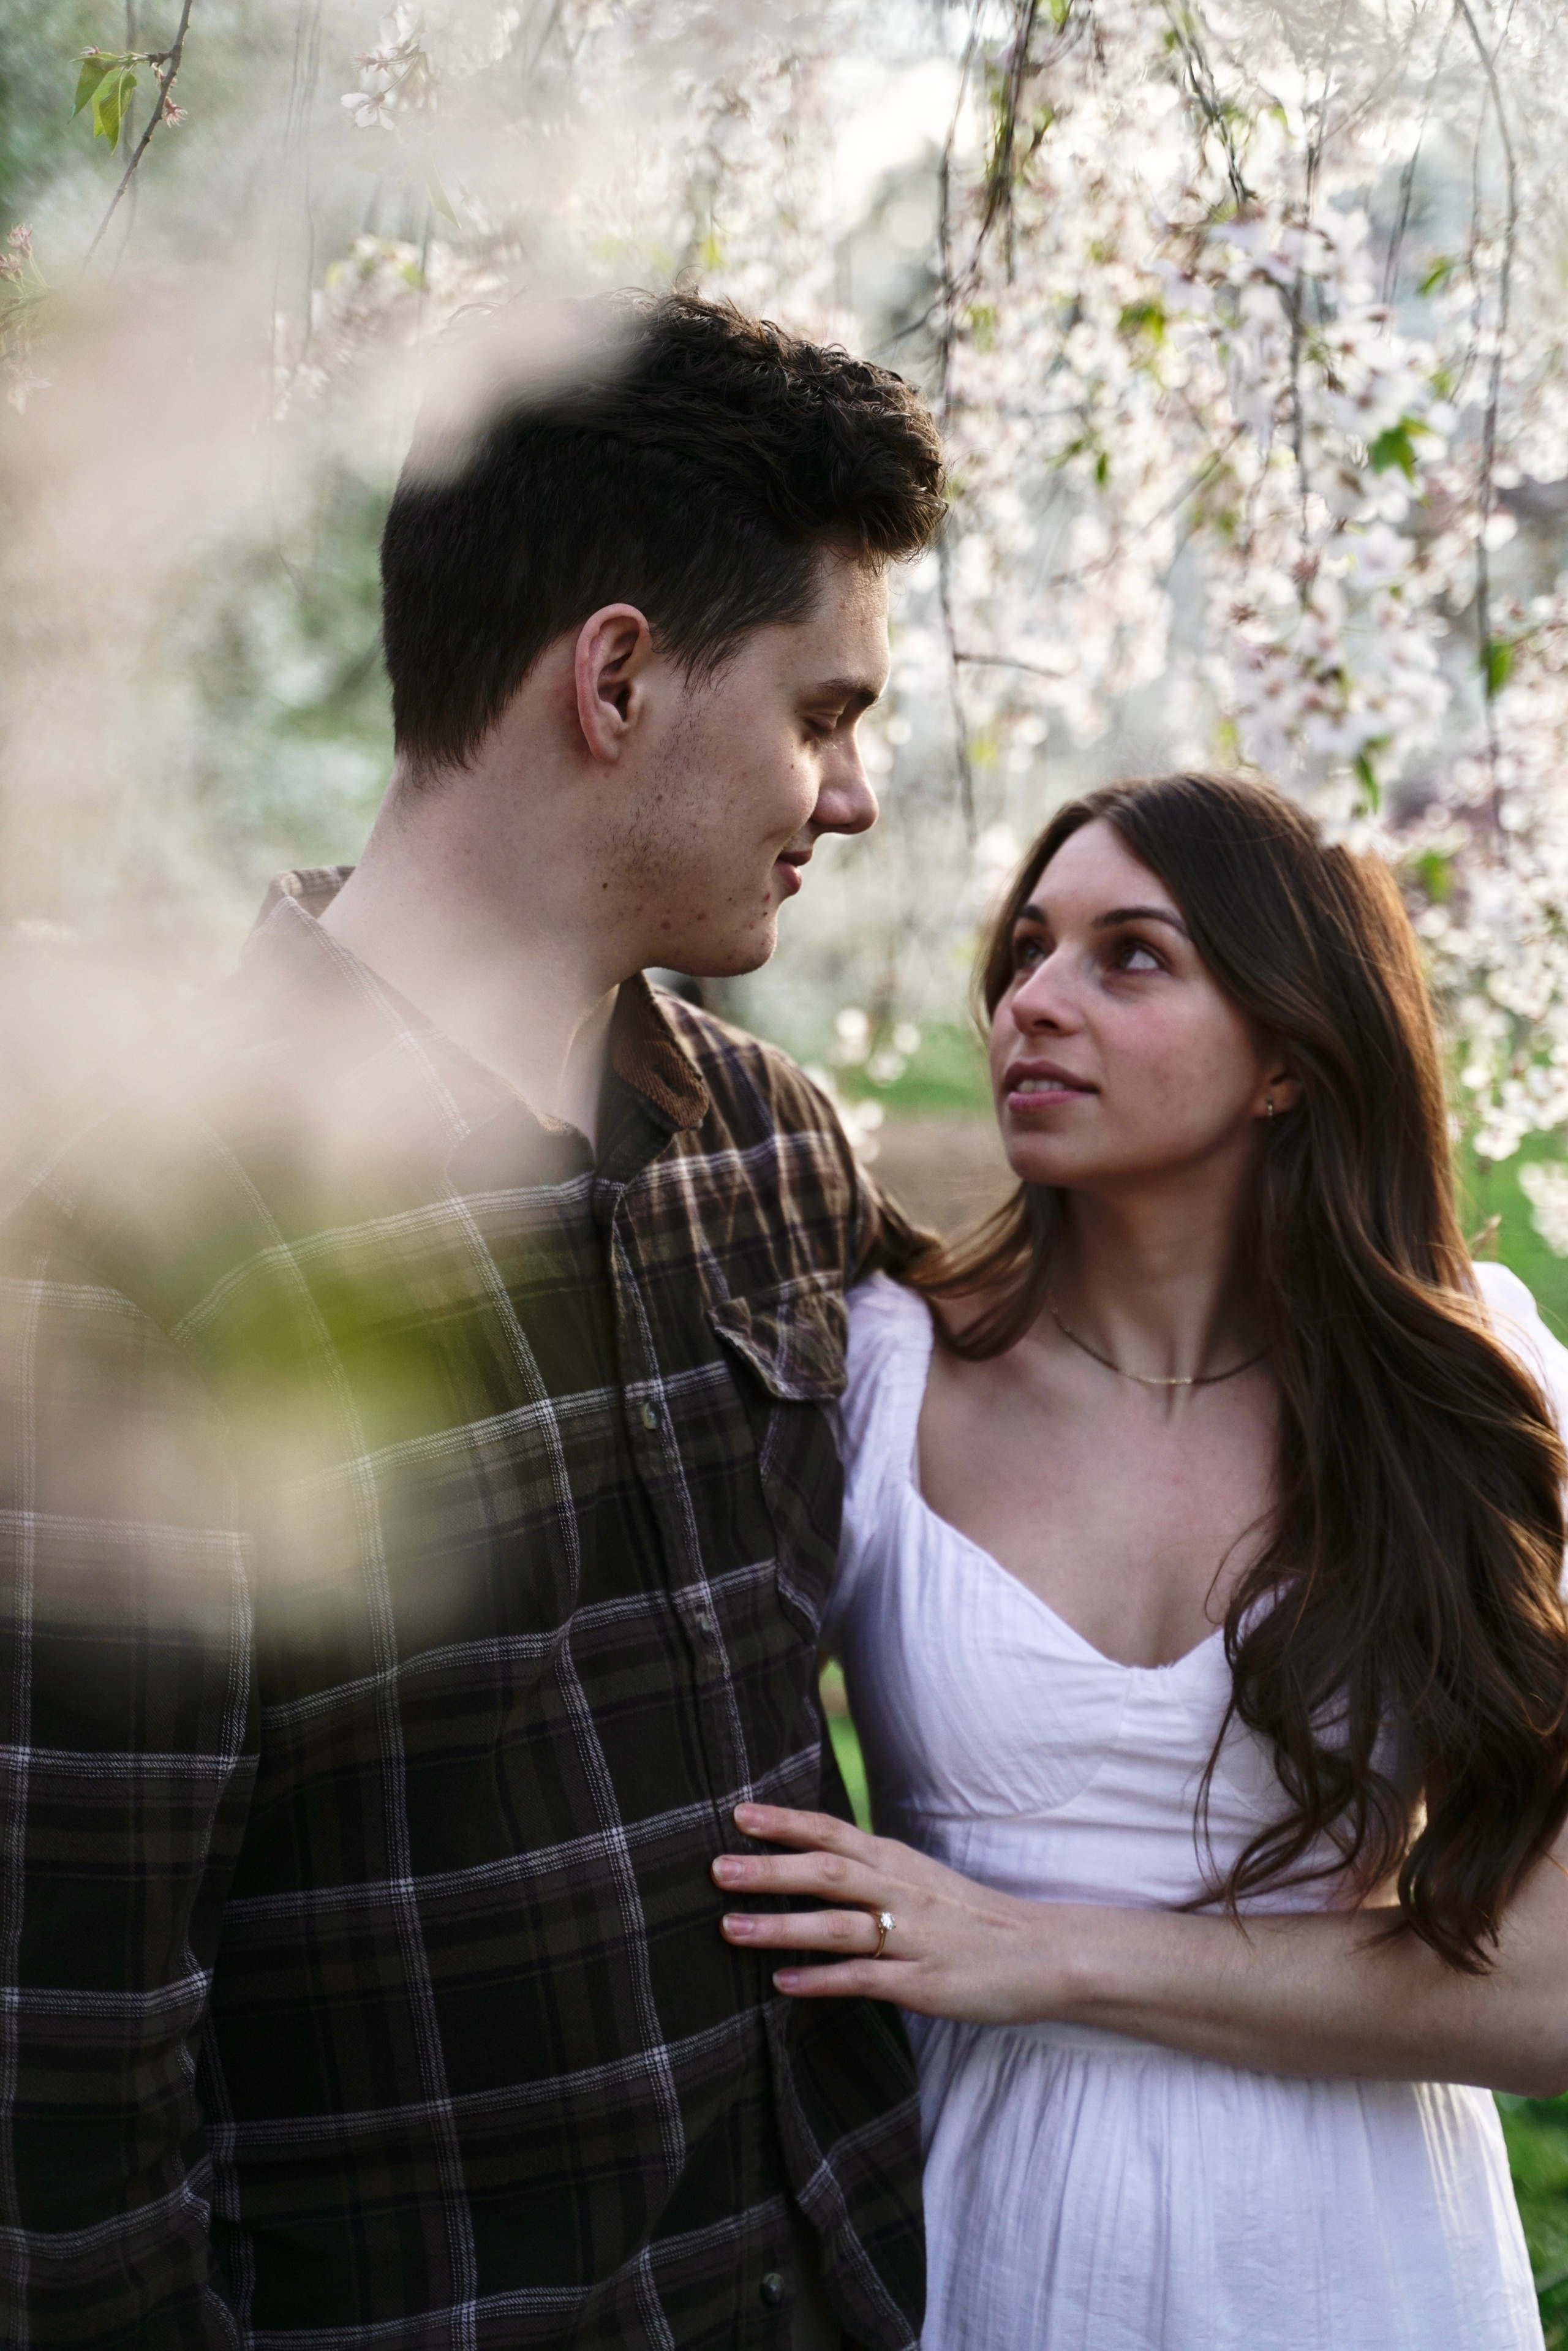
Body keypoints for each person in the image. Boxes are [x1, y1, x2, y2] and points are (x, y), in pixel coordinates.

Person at [0, 293, 944, 2347]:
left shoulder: (769, 1144)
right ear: (615, 677)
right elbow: (57, 2093)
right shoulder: (155, 1239)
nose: (852, 795)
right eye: (825, 712)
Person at [713, 771, 1568, 2351]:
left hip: (1356, 2250)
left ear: (1289, 1064)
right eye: (1028, 950)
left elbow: (1555, 1992)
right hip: (972, 2227)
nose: (1034, 1000)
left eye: (1131, 956)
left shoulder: (1471, 1390)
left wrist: (1037, 1949)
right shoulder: (884, 1370)